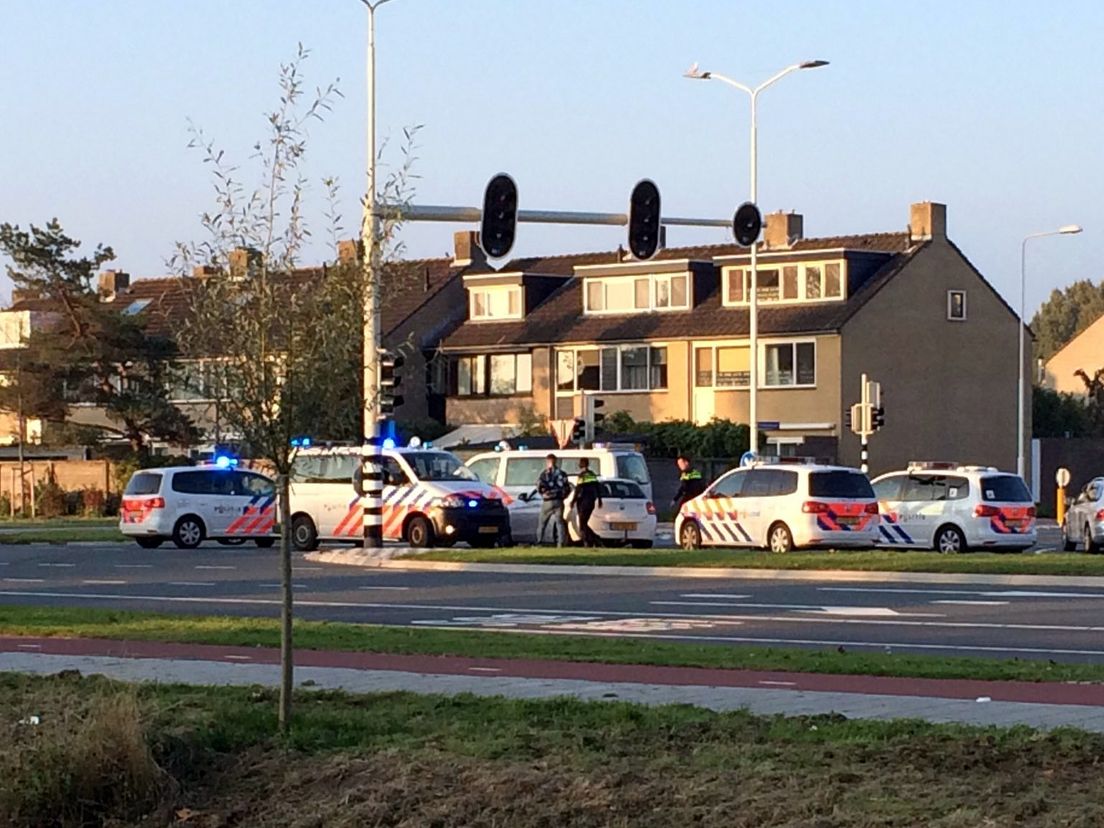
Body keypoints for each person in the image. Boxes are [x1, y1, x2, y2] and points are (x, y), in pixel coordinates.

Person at [536, 453, 570, 547]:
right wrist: (563, 496)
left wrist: (543, 494)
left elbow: (539, 486)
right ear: (556, 461)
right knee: (559, 522)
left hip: (548, 501)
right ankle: (560, 543)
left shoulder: (544, 474)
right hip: (559, 501)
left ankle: (539, 541)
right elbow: (567, 487)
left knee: (542, 522)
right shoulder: (562, 473)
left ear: (547, 461)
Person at [571, 457, 603, 547]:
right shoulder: (592, 474)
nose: (579, 464)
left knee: (582, 524)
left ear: (582, 464)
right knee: (584, 523)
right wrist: (600, 500)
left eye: (580, 463)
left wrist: (573, 501)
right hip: (591, 501)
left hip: (583, 502)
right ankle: (593, 540)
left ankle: (590, 541)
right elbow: (597, 487)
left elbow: (578, 489)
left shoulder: (582, 475)